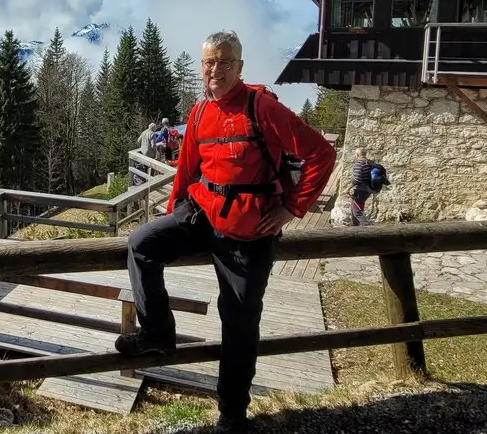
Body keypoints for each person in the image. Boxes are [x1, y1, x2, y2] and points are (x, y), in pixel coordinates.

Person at [115, 30, 336, 433]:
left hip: (250, 230)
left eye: (224, 61)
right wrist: (174, 216)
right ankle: (157, 333)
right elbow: (186, 171)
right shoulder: (201, 111)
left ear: (239, 66)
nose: (215, 69)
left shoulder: (261, 107)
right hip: (203, 213)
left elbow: (321, 153)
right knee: (143, 242)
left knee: (238, 321)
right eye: (209, 62)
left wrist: (291, 208)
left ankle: (232, 413)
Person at [349, 148, 376, 226]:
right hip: (367, 191)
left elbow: (357, 180)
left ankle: (368, 228)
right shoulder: (371, 164)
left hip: (359, 191)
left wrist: (347, 189)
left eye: (355, 154)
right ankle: (354, 229)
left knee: (357, 212)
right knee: (353, 209)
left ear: (357, 155)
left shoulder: (359, 164)